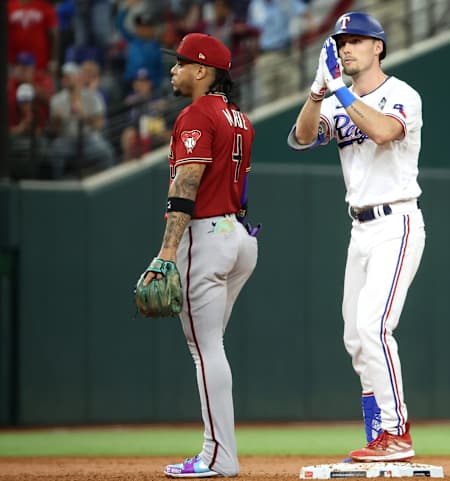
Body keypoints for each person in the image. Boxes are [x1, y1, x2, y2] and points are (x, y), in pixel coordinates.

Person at [287, 12, 425, 462]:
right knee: (354, 337)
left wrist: (339, 89)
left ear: (378, 47)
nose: (346, 48)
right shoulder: (332, 98)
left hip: (397, 222)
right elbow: (302, 138)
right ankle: (376, 436)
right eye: (341, 41)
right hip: (359, 229)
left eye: (357, 40)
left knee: (374, 326)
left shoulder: (402, 94)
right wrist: (316, 91)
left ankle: (396, 433)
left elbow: (384, 131)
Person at [141, 32, 259, 478]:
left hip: (207, 236)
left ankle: (218, 457)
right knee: (211, 347)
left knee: (205, 349)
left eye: (182, 62)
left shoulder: (196, 116)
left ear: (202, 71)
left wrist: (166, 252)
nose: (174, 69)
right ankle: (217, 451)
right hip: (240, 235)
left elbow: (186, 184)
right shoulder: (240, 118)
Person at [47, 61, 116, 178]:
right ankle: (57, 187)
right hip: (67, 139)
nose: (64, 79)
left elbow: (99, 125)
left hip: (89, 139)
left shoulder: (93, 96)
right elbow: (53, 130)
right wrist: (58, 120)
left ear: (77, 77)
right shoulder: (56, 99)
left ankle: (106, 187)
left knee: (106, 153)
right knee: (54, 151)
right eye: (63, 76)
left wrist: (83, 114)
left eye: (68, 76)